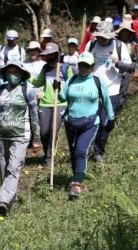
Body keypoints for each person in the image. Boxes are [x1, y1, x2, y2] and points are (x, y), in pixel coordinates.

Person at [54, 52, 114, 199]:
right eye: (81, 65)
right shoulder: (72, 80)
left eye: (87, 66)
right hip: (71, 122)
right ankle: (78, 177)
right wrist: (57, 87)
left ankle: (76, 185)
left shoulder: (97, 81)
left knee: (81, 151)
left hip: (91, 123)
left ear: (92, 66)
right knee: (74, 152)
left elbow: (106, 101)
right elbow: (63, 97)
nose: (83, 68)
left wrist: (111, 118)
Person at [0, 59, 41, 217]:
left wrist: (36, 139)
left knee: (14, 167)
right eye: (9, 72)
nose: (12, 75)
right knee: (3, 169)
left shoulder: (28, 91)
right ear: (4, 74)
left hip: (21, 135)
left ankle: (3, 201)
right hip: (0, 134)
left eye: (16, 72)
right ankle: (11, 198)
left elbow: (34, 115)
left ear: (22, 74)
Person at [85, 21, 132, 163]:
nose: (102, 39)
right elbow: (81, 64)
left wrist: (118, 63)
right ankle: (85, 148)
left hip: (112, 90)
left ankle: (98, 151)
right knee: (90, 121)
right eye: (100, 36)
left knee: (106, 123)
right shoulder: (91, 45)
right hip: (92, 89)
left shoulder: (119, 46)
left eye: (105, 37)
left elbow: (131, 68)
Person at [32, 43, 73, 167]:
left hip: (60, 103)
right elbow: (38, 82)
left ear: (56, 54)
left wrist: (61, 87)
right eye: (47, 55)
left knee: (53, 130)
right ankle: (46, 152)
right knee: (44, 132)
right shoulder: (45, 68)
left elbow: (71, 85)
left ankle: (49, 156)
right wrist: (25, 76)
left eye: (50, 54)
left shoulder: (65, 68)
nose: (48, 57)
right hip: (45, 103)